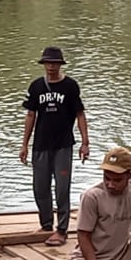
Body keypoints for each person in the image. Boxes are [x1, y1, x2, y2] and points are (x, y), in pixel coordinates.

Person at [20, 47, 89, 245]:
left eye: (54, 63)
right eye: (48, 63)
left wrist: (85, 143)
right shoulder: (36, 87)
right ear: (43, 64)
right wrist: (24, 144)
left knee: (62, 188)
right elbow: (31, 115)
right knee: (40, 187)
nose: (51, 67)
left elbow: (80, 114)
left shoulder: (70, 86)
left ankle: (62, 229)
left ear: (60, 64)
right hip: (41, 144)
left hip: (63, 145)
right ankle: (46, 224)